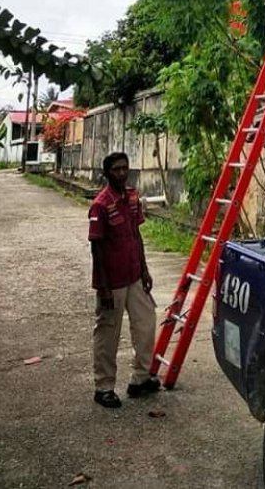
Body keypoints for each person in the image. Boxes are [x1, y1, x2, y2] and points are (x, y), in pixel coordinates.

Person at [88, 151, 160, 408]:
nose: (121, 173)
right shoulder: (100, 204)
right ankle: (104, 387)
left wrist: (145, 269)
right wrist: (104, 288)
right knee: (108, 333)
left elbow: (136, 235)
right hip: (112, 283)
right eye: (116, 169)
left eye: (124, 168)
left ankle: (140, 379)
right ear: (107, 173)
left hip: (134, 277)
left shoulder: (131, 197)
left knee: (147, 322)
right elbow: (96, 249)